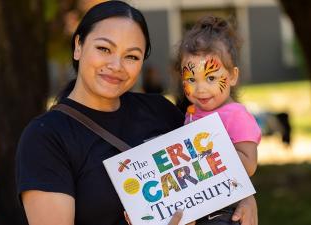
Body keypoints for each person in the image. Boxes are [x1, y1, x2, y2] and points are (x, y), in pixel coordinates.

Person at [15, 1, 257, 225]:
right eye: (104, 49)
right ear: (78, 46)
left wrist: (242, 197)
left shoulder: (160, 111)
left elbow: (213, 168)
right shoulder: (45, 138)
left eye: (131, 56)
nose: (116, 66)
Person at [177, 16, 261, 225]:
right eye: (191, 79)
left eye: (211, 78)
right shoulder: (191, 112)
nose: (201, 89)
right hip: (197, 204)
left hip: (226, 209)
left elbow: (249, 165)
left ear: (232, 76)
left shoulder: (235, 115)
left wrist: (211, 149)